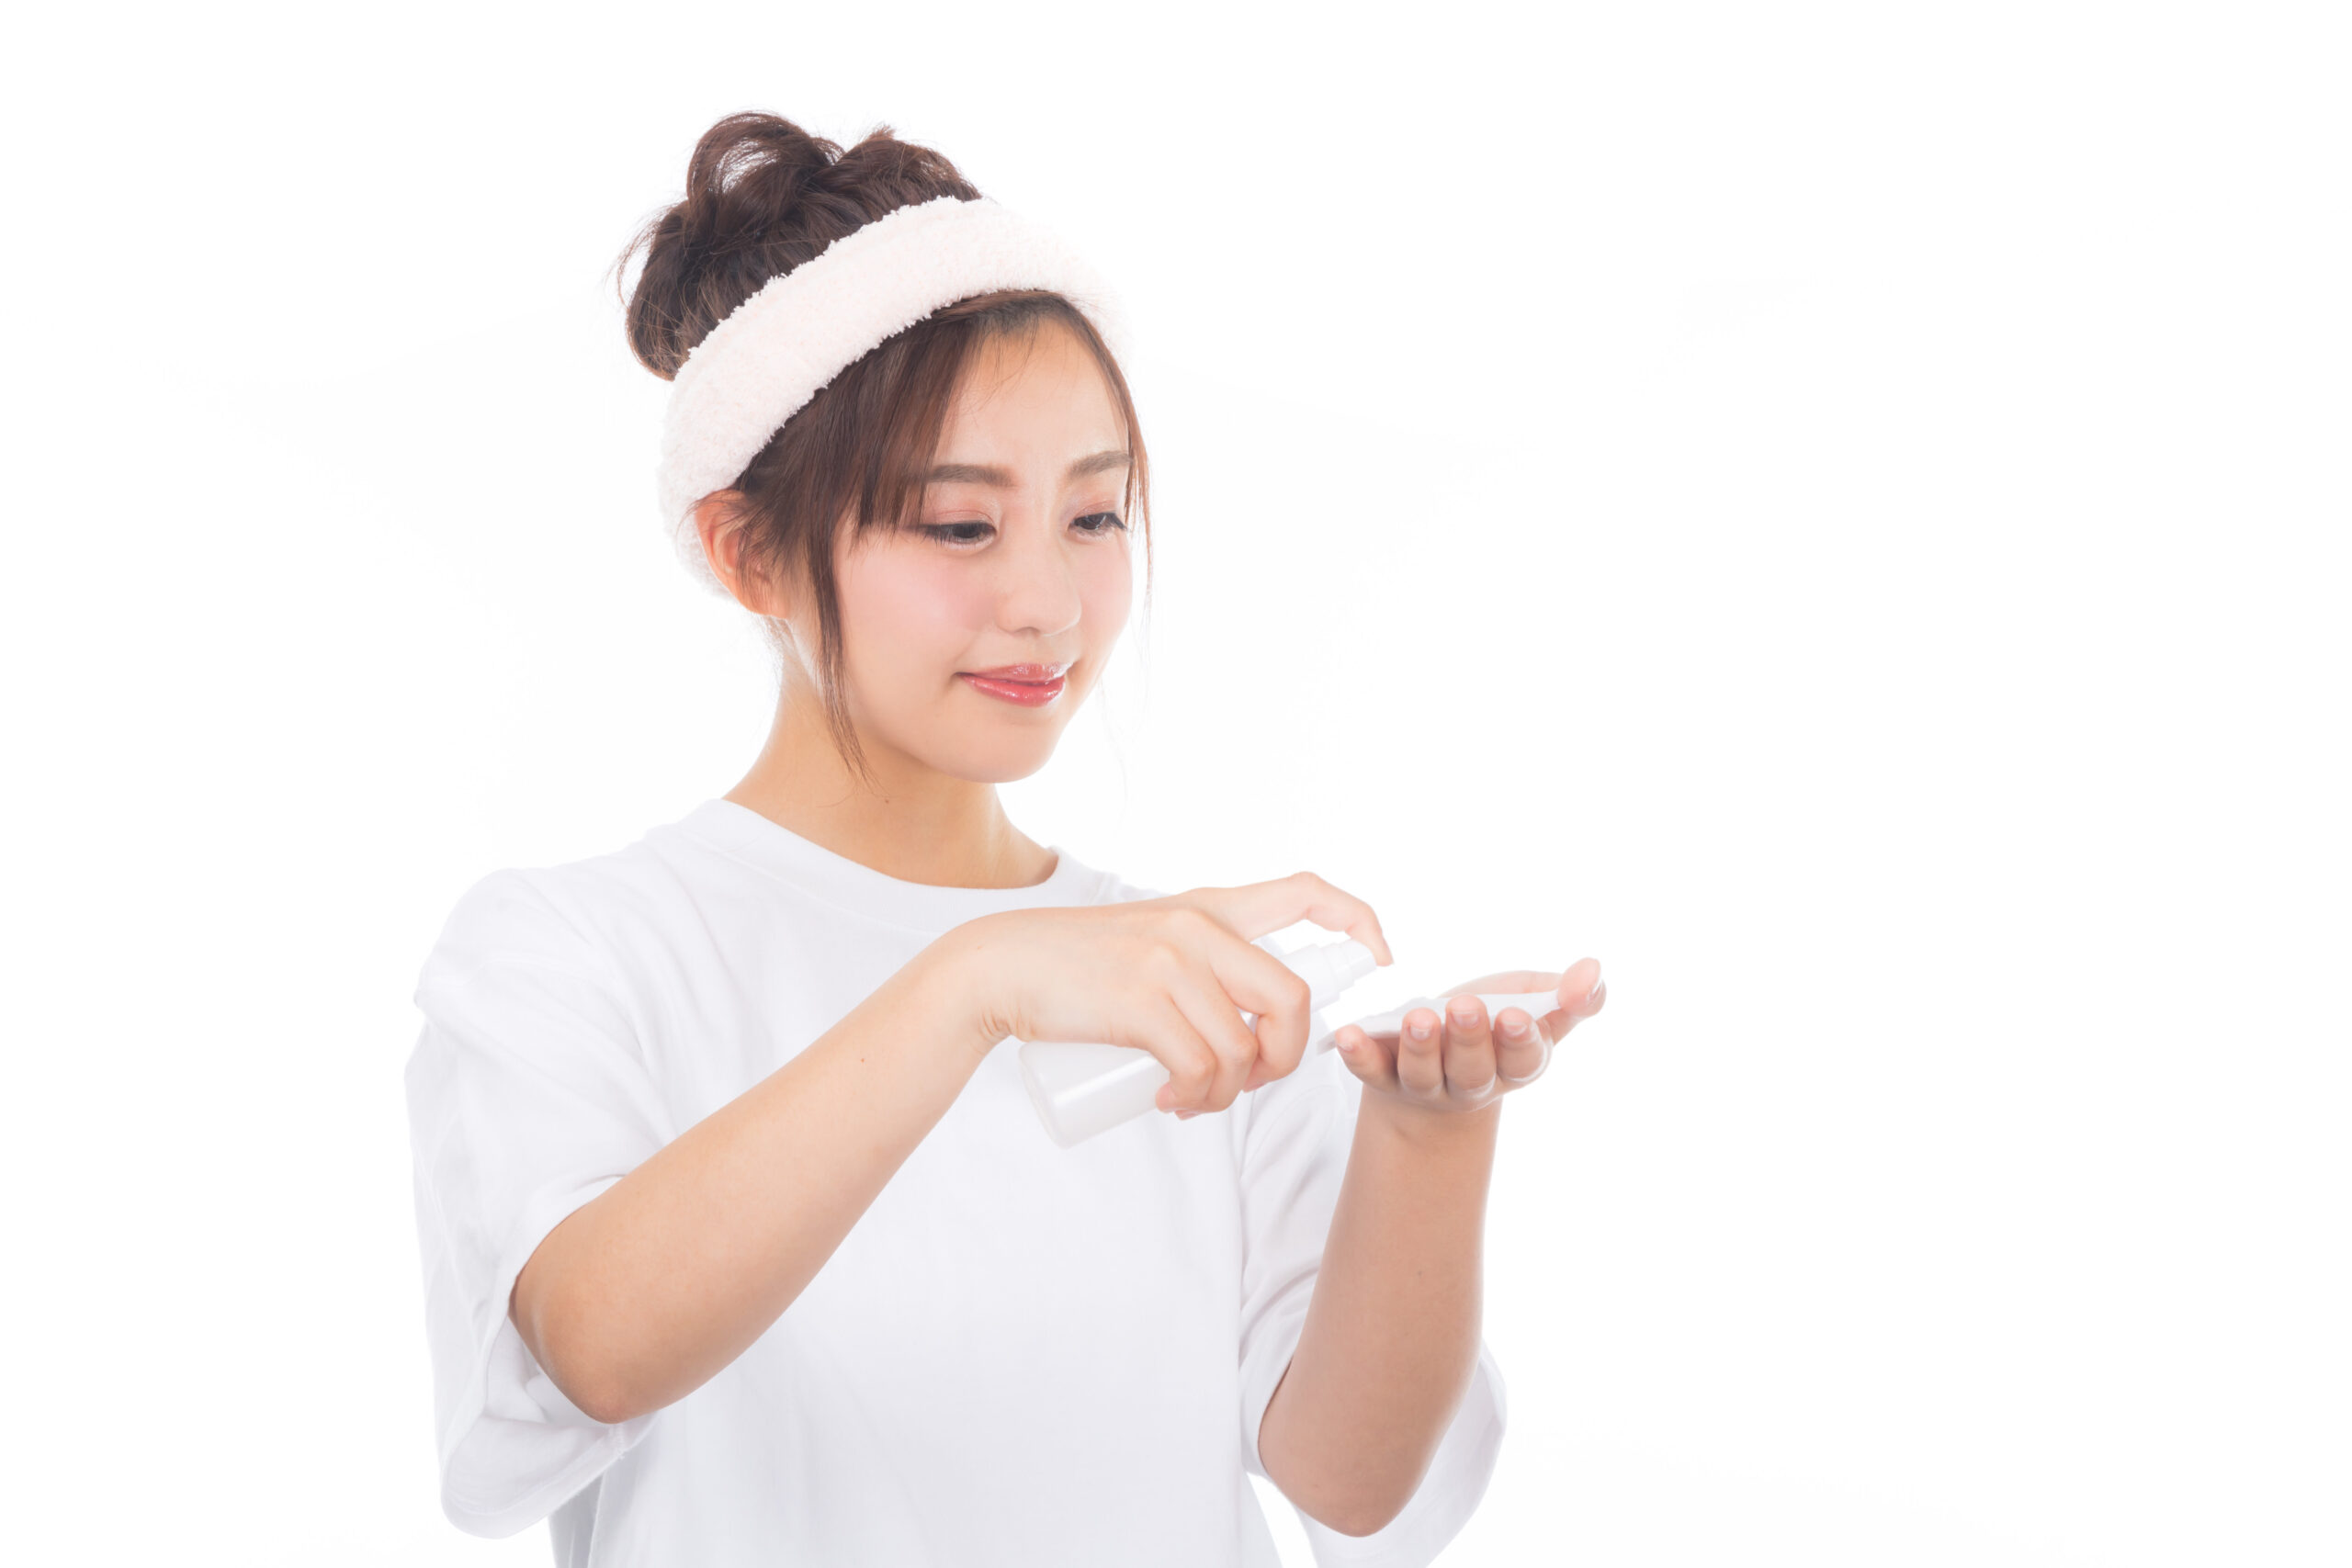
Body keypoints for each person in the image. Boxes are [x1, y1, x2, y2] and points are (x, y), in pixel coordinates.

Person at [402, 110, 1607, 1568]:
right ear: (748, 552)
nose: (1047, 604)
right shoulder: (576, 950)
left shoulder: (1185, 979)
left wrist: (1429, 1132)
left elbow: (1349, 1482)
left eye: (1095, 516)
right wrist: (972, 981)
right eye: (961, 528)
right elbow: (595, 1343)